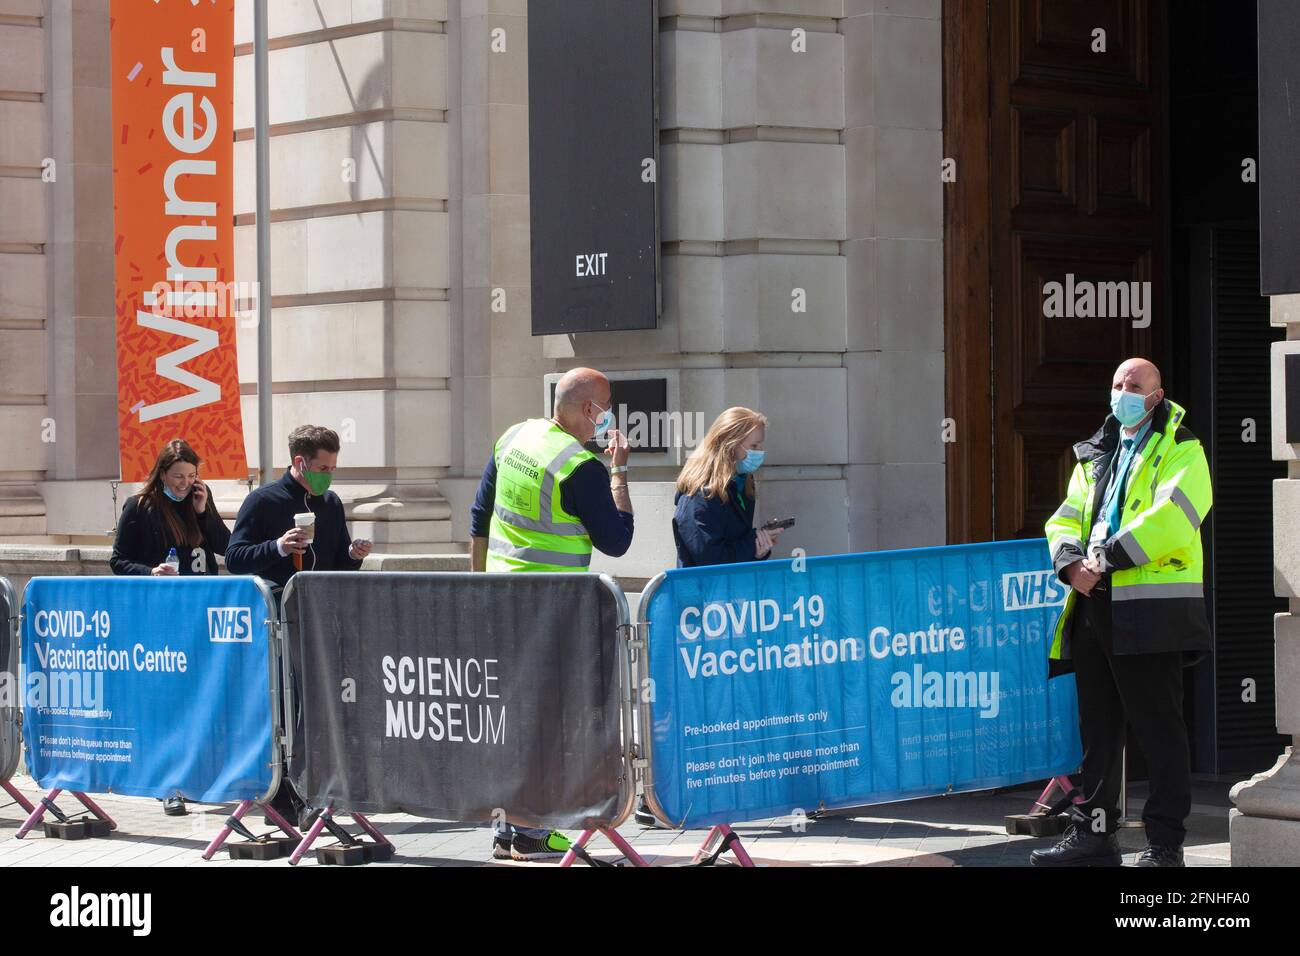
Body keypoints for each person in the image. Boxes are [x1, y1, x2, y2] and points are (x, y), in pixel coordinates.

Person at [1036, 358, 1212, 868]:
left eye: (1134, 386)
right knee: (1099, 730)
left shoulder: (1183, 448)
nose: (1123, 393)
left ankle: (1164, 845)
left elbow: (1176, 517)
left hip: (1150, 608)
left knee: (1159, 730)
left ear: (1156, 396)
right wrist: (1070, 562)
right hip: (1093, 603)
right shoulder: (1095, 450)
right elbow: (1066, 514)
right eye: (1117, 384)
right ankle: (1094, 835)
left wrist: (1105, 558)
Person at [469, 367, 634, 860]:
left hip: (500, 603)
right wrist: (619, 472)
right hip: (550, 611)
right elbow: (618, 541)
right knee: (546, 722)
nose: (607, 420)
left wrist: (476, 589)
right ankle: (532, 833)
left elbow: (480, 516)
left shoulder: (514, 436)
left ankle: (509, 829)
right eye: (604, 409)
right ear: (589, 410)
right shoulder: (580, 467)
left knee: (513, 719)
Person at [226, 425, 374, 826]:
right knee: (286, 706)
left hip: (321, 615)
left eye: (333, 467)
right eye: (322, 467)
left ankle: (318, 788)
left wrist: (353, 554)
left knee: (318, 704)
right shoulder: (263, 501)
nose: (328, 475)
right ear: (299, 462)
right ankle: (285, 796)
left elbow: (336, 563)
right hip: (278, 617)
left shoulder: (330, 503)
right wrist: (277, 546)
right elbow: (235, 557)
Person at [111, 439, 232, 816]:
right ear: (162, 473)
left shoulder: (200, 501)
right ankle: (168, 782)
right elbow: (118, 560)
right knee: (168, 699)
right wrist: (150, 572)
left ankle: (197, 775)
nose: (184, 483)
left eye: (192, 476)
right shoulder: (141, 507)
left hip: (201, 614)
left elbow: (229, 548)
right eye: (178, 476)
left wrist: (204, 511)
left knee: (200, 697)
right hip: (161, 617)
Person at [672, 406, 783, 568]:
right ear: (730, 444)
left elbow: (735, 545)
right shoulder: (699, 494)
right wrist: (752, 544)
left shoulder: (740, 484)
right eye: (754, 446)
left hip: (732, 588)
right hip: (703, 591)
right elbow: (711, 560)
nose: (759, 452)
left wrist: (758, 547)